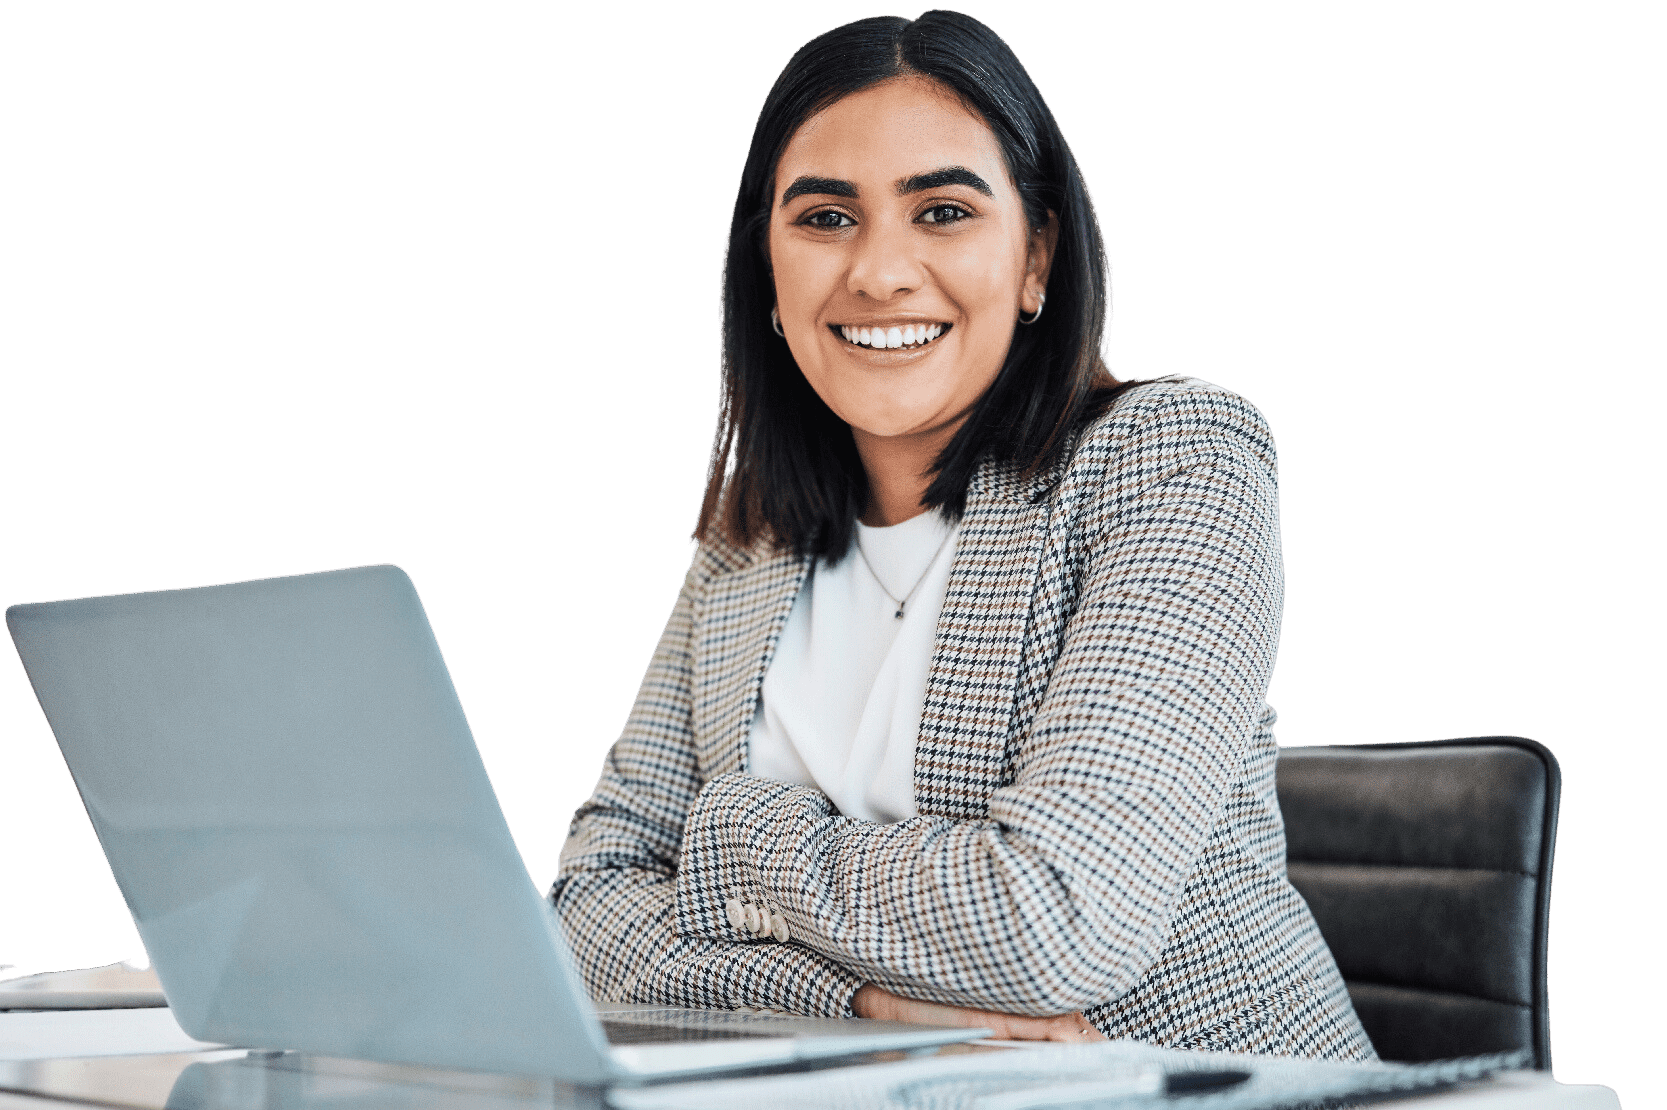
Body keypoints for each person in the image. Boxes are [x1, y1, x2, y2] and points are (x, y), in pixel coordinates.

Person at [551, 10, 1374, 1060]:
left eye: (940, 211)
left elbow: (1055, 925)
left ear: (1035, 257)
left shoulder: (1171, 459)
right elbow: (582, 913)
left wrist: (733, 840)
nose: (879, 273)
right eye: (823, 219)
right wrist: (862, 1011)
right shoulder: (746, 538)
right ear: (766, 268)